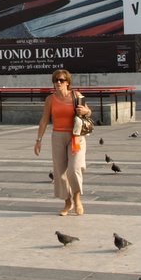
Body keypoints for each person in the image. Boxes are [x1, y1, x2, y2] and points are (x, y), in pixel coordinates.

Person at [34, 69, 92, 216]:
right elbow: (44, 120)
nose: (58, 83)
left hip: (75, 136)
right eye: (55, 80)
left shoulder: (76, 96)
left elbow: (88, 111)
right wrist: (38, 140)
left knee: (74, 169)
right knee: (60, 173)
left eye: (61, 80)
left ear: (67, 82)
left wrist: (87, 112)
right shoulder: (50, 99)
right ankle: (67, 203)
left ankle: (77, 198)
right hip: (58, 136)